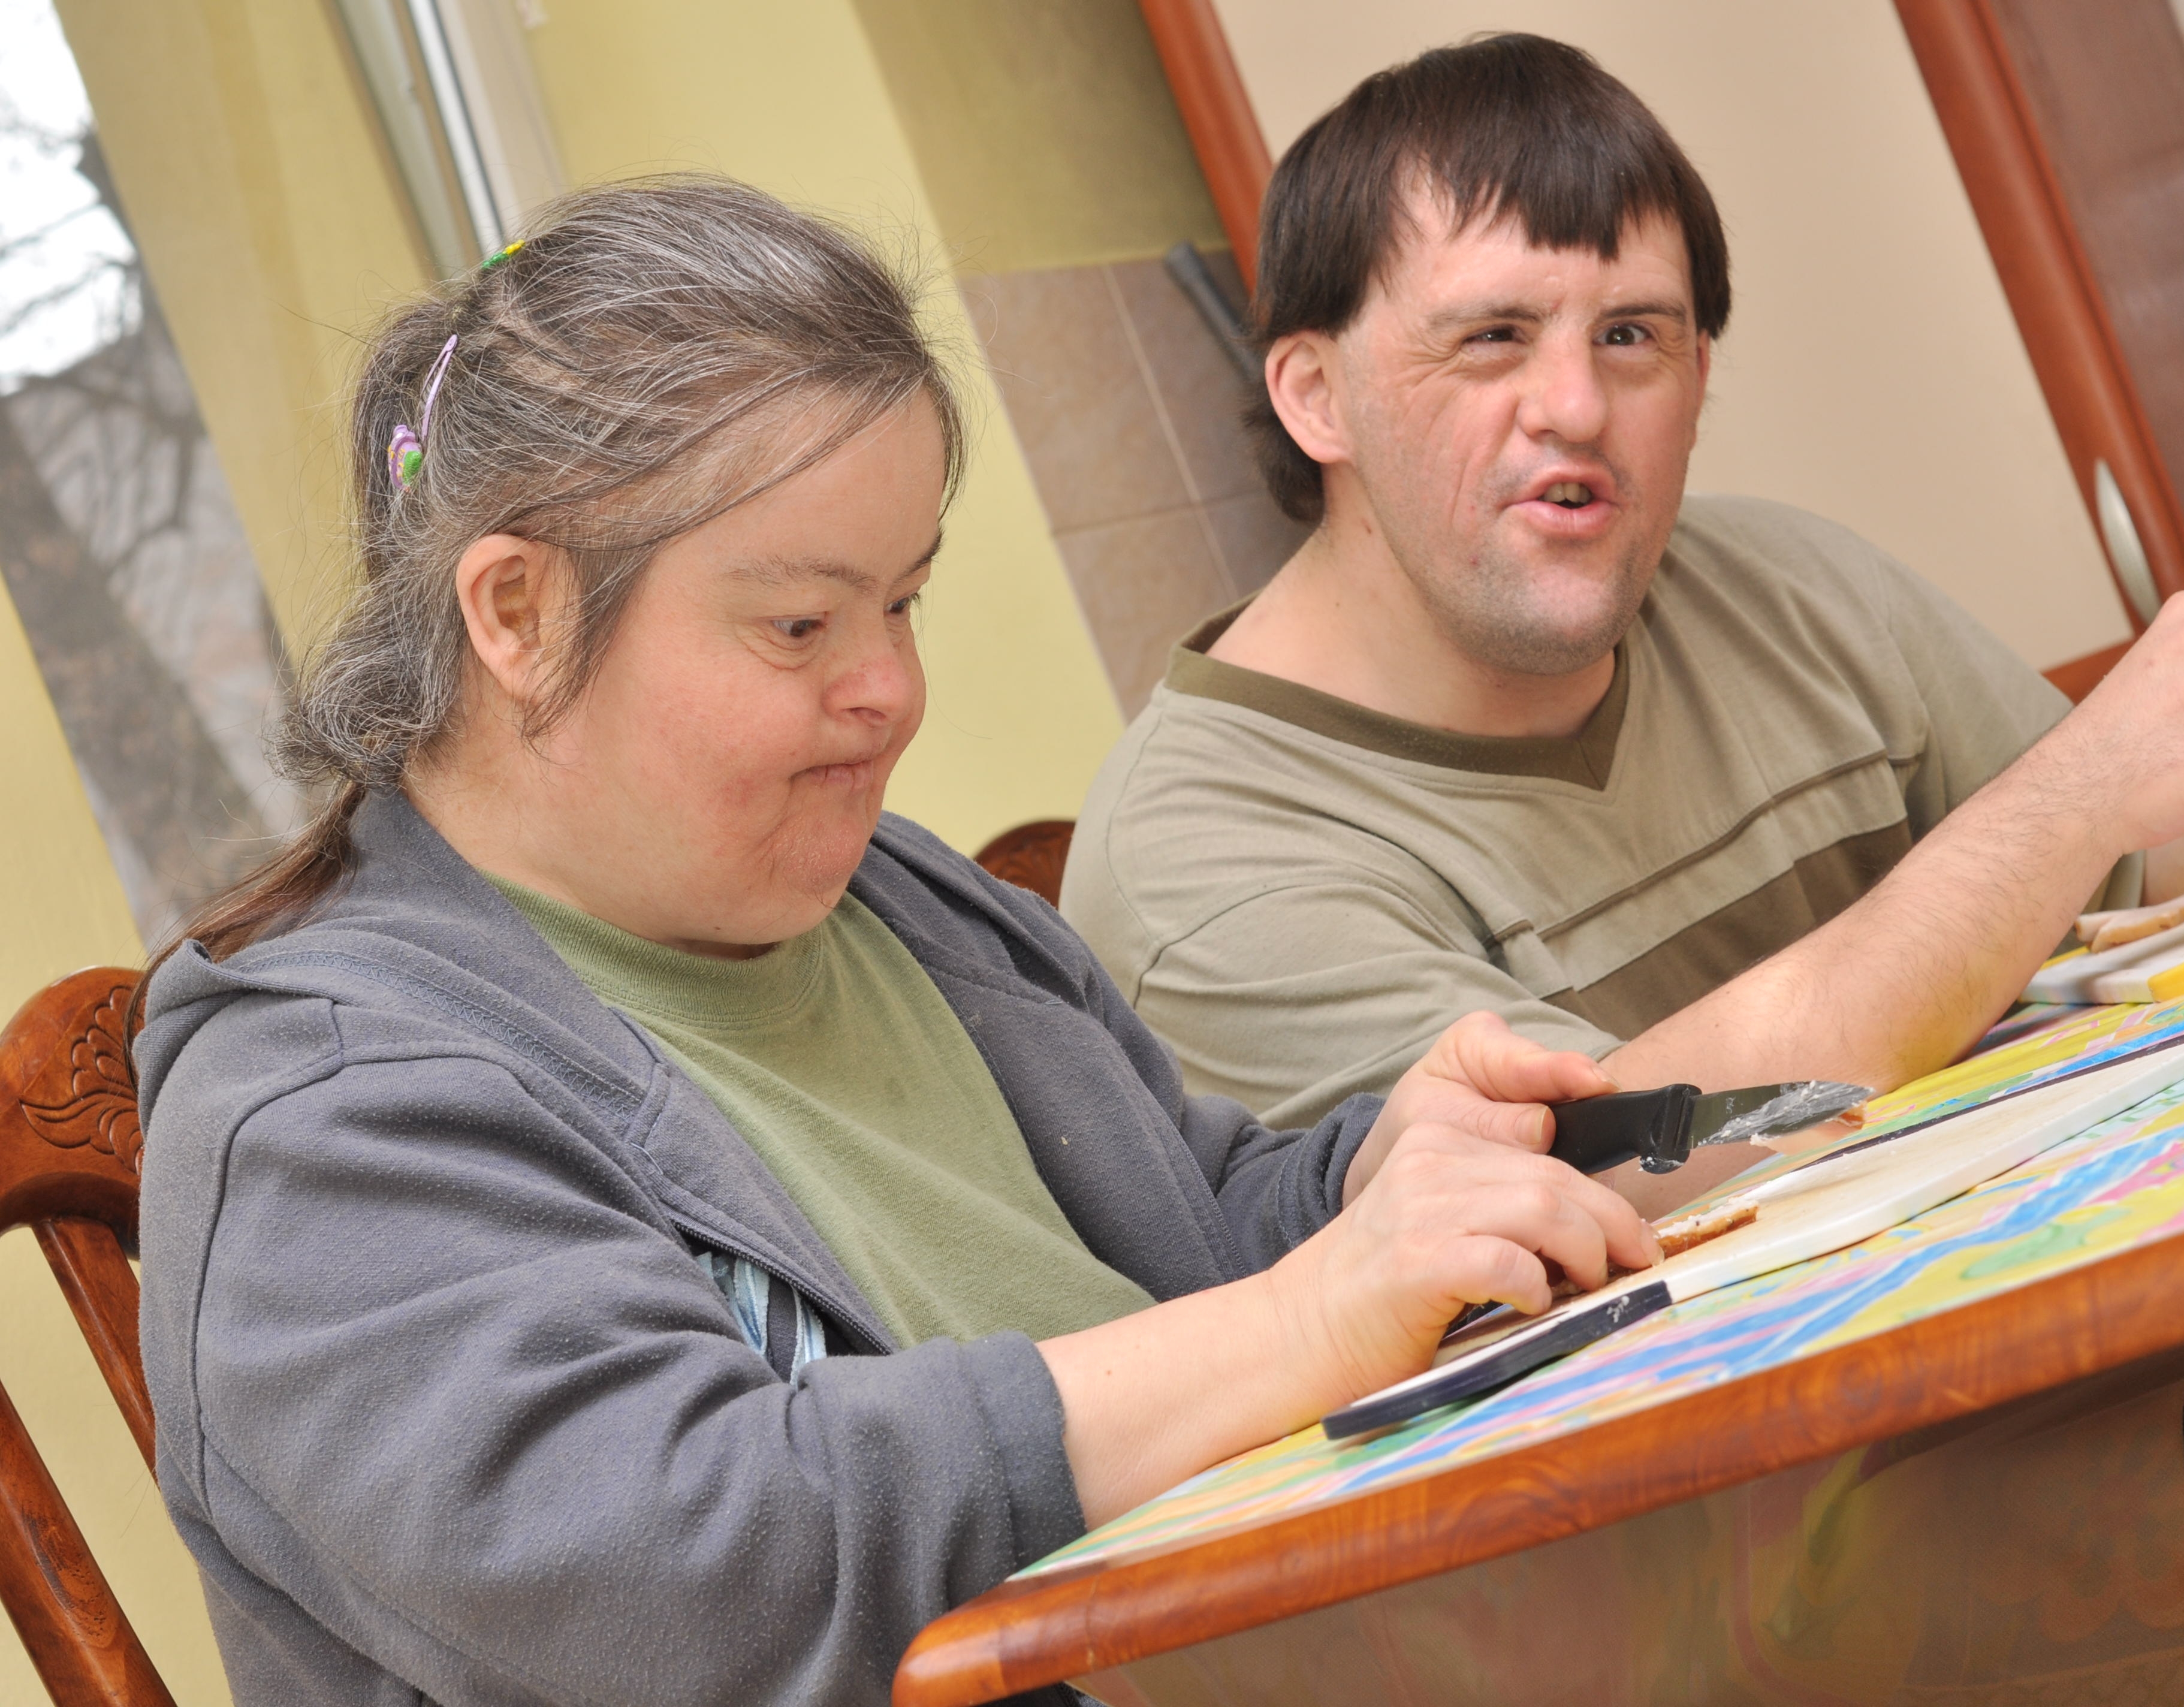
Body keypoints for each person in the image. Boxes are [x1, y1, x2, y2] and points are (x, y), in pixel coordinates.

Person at [1060, 35, 2184, 1704]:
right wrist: (2077, 785)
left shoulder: (1783, 585)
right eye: (1490, 340)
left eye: (1636, 336)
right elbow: (1582, 1182)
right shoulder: (1200, 853)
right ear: (1312, 395)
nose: (1576, 407)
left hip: (2100, 1341)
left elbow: (2175, 873)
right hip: (1751, 1552)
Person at [132, 176, 1662, 1706]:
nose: (889, 691)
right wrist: (1308, 1314)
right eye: (799, 625)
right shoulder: (319, 1115)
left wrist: (1374, 1182)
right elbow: (710, 1569)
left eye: (906, 603)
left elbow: (1183, 1240)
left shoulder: (898, 903)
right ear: (519, 612)